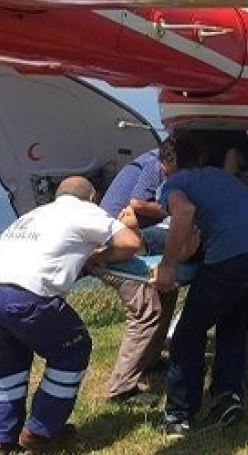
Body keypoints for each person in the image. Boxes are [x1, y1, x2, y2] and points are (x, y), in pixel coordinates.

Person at [0, 176, 143, 454]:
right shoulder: (87, 211)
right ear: (92, 196)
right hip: (26, 293)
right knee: (72, 348)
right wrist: (99, 257)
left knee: (10, 363)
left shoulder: (34, 215)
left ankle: (0, 439)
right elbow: (130, 242)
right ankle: (40, 431)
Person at [152, 136, 248, 437]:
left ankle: (179, 414)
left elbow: (183, 212)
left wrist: (167, 265)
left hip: (232, 257)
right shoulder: (220, 177)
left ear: (166, 165)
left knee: (188, 333)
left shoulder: (173, 184)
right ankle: (227, 398)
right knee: (233, 327)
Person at [96, 141, 177, 407]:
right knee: (146, 310)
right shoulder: (155, 163)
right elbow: (137, 203)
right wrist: (177, 208)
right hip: (115, 246)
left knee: (166, 290)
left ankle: (149, 361)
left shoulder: (157, 159)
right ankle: (122, 389)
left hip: (126, 240)